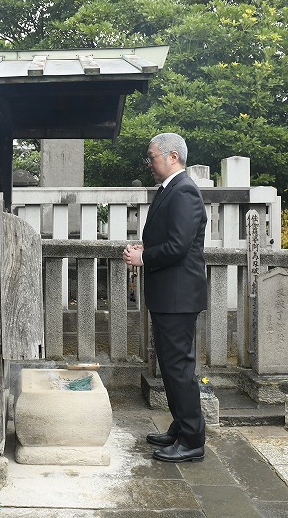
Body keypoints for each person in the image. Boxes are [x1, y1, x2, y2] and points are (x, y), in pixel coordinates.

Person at [122, 132, 207, 463]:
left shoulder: (184, 192)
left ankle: (192, 440)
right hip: (170, 295)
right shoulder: (171, 190)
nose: (149, 163)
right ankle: (180, 427)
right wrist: (145, 249)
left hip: (178, 296)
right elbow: (169, 240)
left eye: (152, 156)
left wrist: (143, 258)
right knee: (171, 368)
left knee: (178, 368)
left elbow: (179, 246)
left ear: (173, 157)